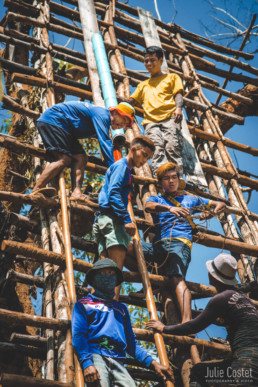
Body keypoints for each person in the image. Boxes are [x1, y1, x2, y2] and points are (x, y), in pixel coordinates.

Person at [125, 162, 226, 323]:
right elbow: (149, 206)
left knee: (176, 279)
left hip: (180, 243)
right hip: (159, 246)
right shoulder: (156, 198)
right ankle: (151, 280)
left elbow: (220, 204)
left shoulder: (191, 199)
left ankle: (187, 323)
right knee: (125, 247)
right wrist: (169, 209)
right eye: (166, 179)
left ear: (178, 180)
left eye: (174, 177)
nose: (171, 181)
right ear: (160, 183)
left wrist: (211, 213)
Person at [146, 253, 258, 386]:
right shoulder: (241, 296)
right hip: (248, 364)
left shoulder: (220, 299)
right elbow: (244, 287)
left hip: (245, 366)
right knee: (201, 370)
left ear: (213, 276)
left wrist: (164, 328)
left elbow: (192, 326)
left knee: (199, 372)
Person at [72, 258, 174, 386]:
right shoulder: (83, 304)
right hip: (96, 356)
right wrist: (87, 363)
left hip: (118, 360)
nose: (108, 277)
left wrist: (154, 364)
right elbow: (79, 336)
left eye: (111, 274)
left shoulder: (121, 309)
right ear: (94, 279)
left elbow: (131, 344)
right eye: (103, 273)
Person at [30, 101, 135, 200]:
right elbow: (105, 142)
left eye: (126, 125)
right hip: (54, 120)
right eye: (124, 120)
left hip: (65, 128)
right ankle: (37, 189)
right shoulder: (103, 115)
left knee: (81, 158)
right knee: (63, 159)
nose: (122, 126)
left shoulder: (102, 118)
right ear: (116, 112)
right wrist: (114, 169)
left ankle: (76, 193)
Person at [93, 136, 155, 299]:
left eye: (148, 157)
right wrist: (126, 219)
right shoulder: (122, 167)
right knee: (114, 271)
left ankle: (97, 308)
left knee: (103, 270)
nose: (145, 160)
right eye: (145, 154)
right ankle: (111, 310)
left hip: (103, 219)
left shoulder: (121, 168)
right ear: (133, 149)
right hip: (113, 220)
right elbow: (114, 194)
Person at [129, 46, 184, 177]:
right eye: (146, 61)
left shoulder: (172, 77)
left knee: (172, 147)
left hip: (170, 118)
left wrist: (179, 108)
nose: (149, 64)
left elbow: (178, 94)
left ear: (160, 60)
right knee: (156, 150)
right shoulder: (143, 85)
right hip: (151, 122)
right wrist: (121, 105)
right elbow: (132, 100)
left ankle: (177, 178)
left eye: (152, 60)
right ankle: (161, 178)